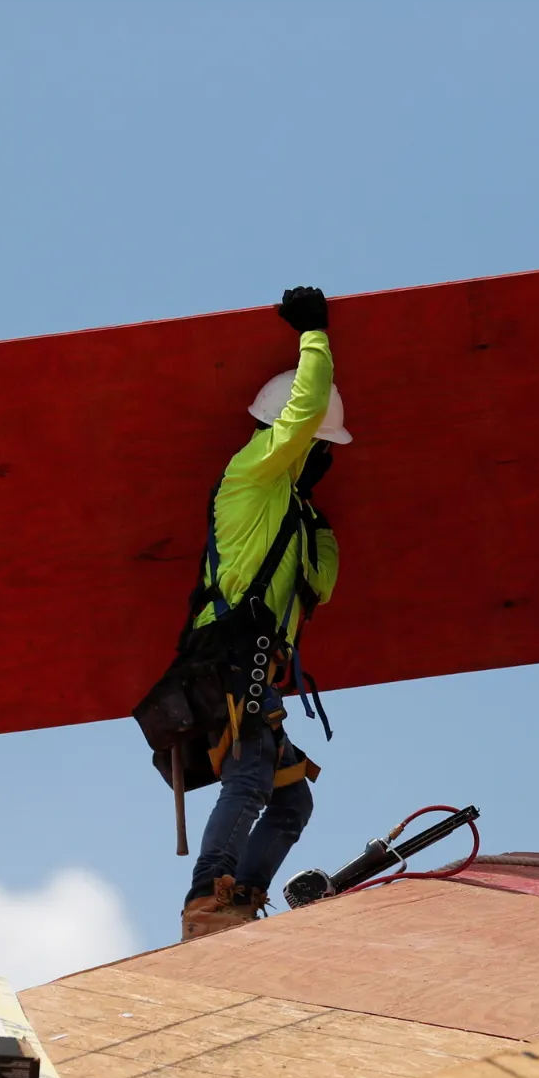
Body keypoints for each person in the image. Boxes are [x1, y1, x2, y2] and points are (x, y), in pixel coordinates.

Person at [178, 285, 350, 941]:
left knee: (291, 798)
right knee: (250, 774)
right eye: (320, 444)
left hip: (254, 669)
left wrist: (317, 518)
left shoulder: (293, 510)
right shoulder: (251, 473)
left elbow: (320, 586)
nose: (325, 453)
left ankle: (241, 898)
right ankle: (206, 902)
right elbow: (304, 411)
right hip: (224, 660)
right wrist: (314, 334)